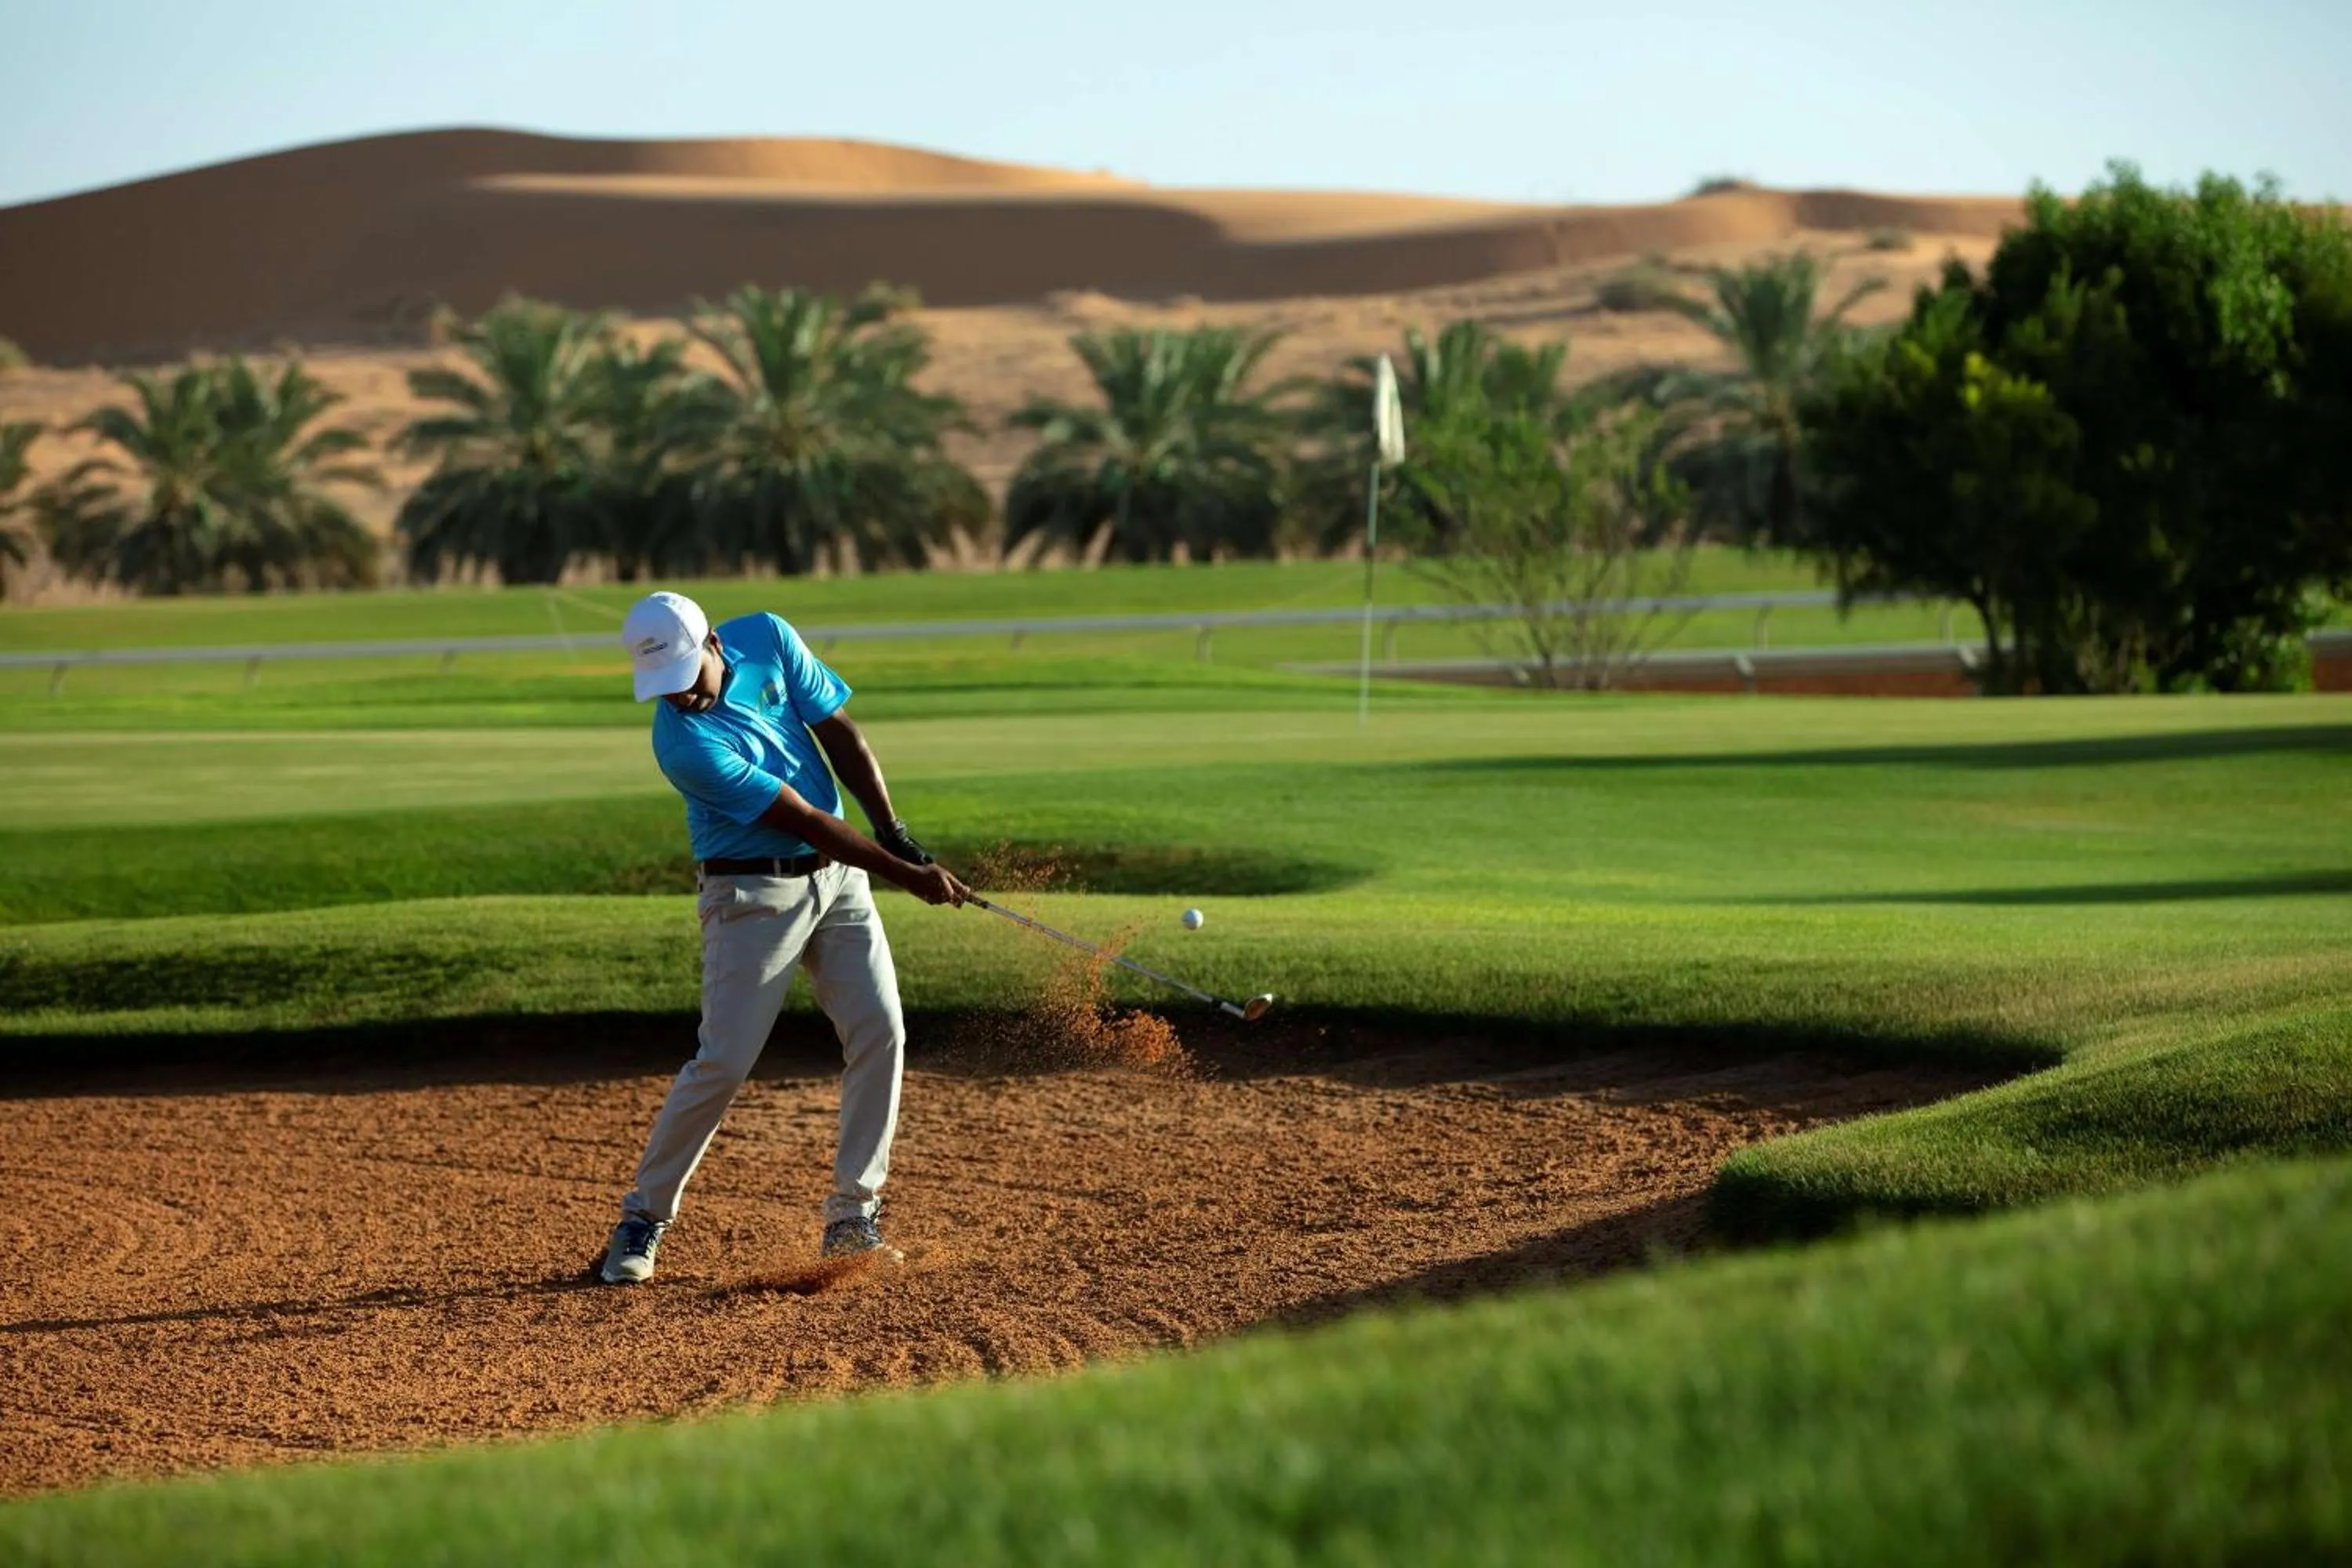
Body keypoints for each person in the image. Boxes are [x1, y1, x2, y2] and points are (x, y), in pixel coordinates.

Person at [600, 590, 971, 1285]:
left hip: (839, 884)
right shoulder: (682, 745)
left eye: (686, 677)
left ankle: (851, 1217)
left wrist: (896, 835)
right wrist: (904, 874)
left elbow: (839, 732)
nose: (679, 697)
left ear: (713, 644)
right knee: (725, 1063)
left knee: (881, 1030)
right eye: (664, 687)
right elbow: (803, 819)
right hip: (749, 899)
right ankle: (643, 1217)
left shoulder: (768, 636)